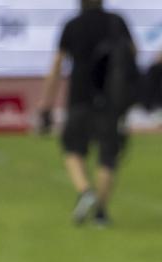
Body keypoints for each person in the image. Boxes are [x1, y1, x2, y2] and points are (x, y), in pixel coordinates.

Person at [38, 0, 137, 226]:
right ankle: (101, 212)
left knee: (73, 148)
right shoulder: (116, 22)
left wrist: (46, 103)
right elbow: (132, 54)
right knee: (108, 155)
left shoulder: (72, 26)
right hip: (111, 99)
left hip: (80, 97)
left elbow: (56, 65)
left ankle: (85, 190)